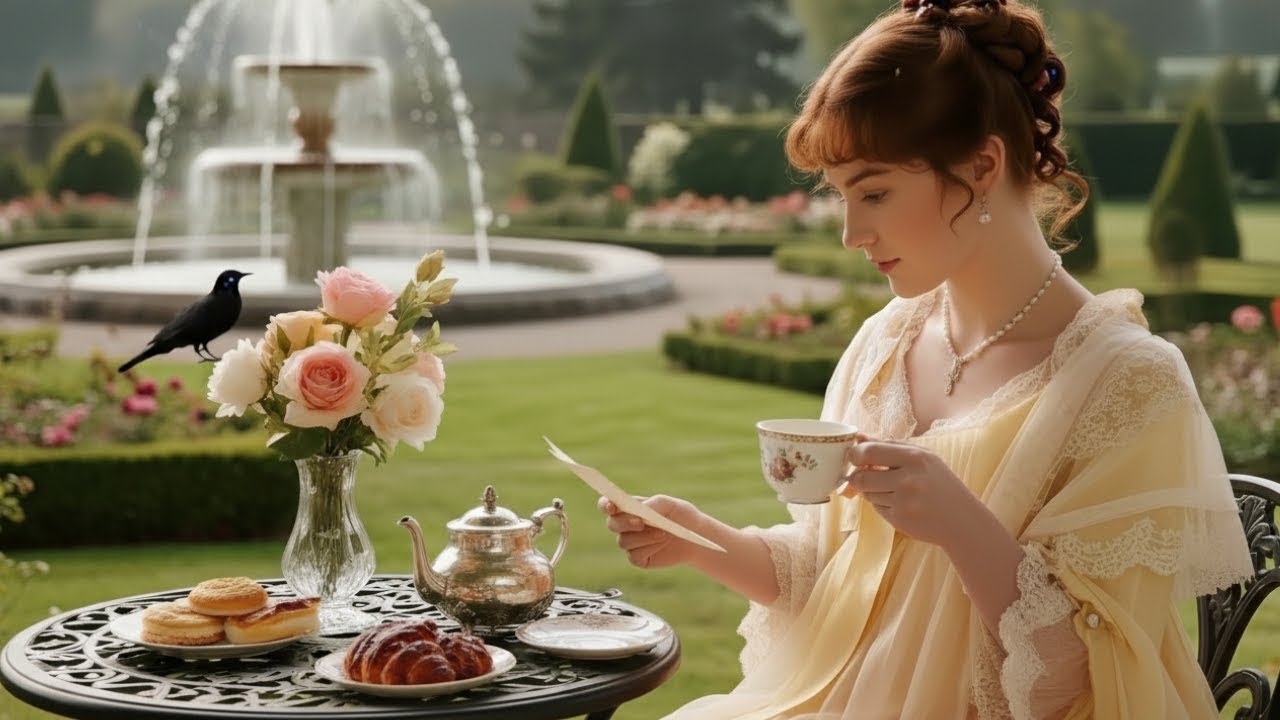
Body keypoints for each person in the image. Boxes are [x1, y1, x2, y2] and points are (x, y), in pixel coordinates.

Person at [598, 0, 1254, 717]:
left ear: (981, 166)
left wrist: (961, 524)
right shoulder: (886, 343)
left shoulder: (1127, 382)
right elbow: (841, 583)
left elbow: (1086, 684)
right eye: (843, 197)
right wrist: (700, 542)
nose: (851, 233)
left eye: (874, 192)